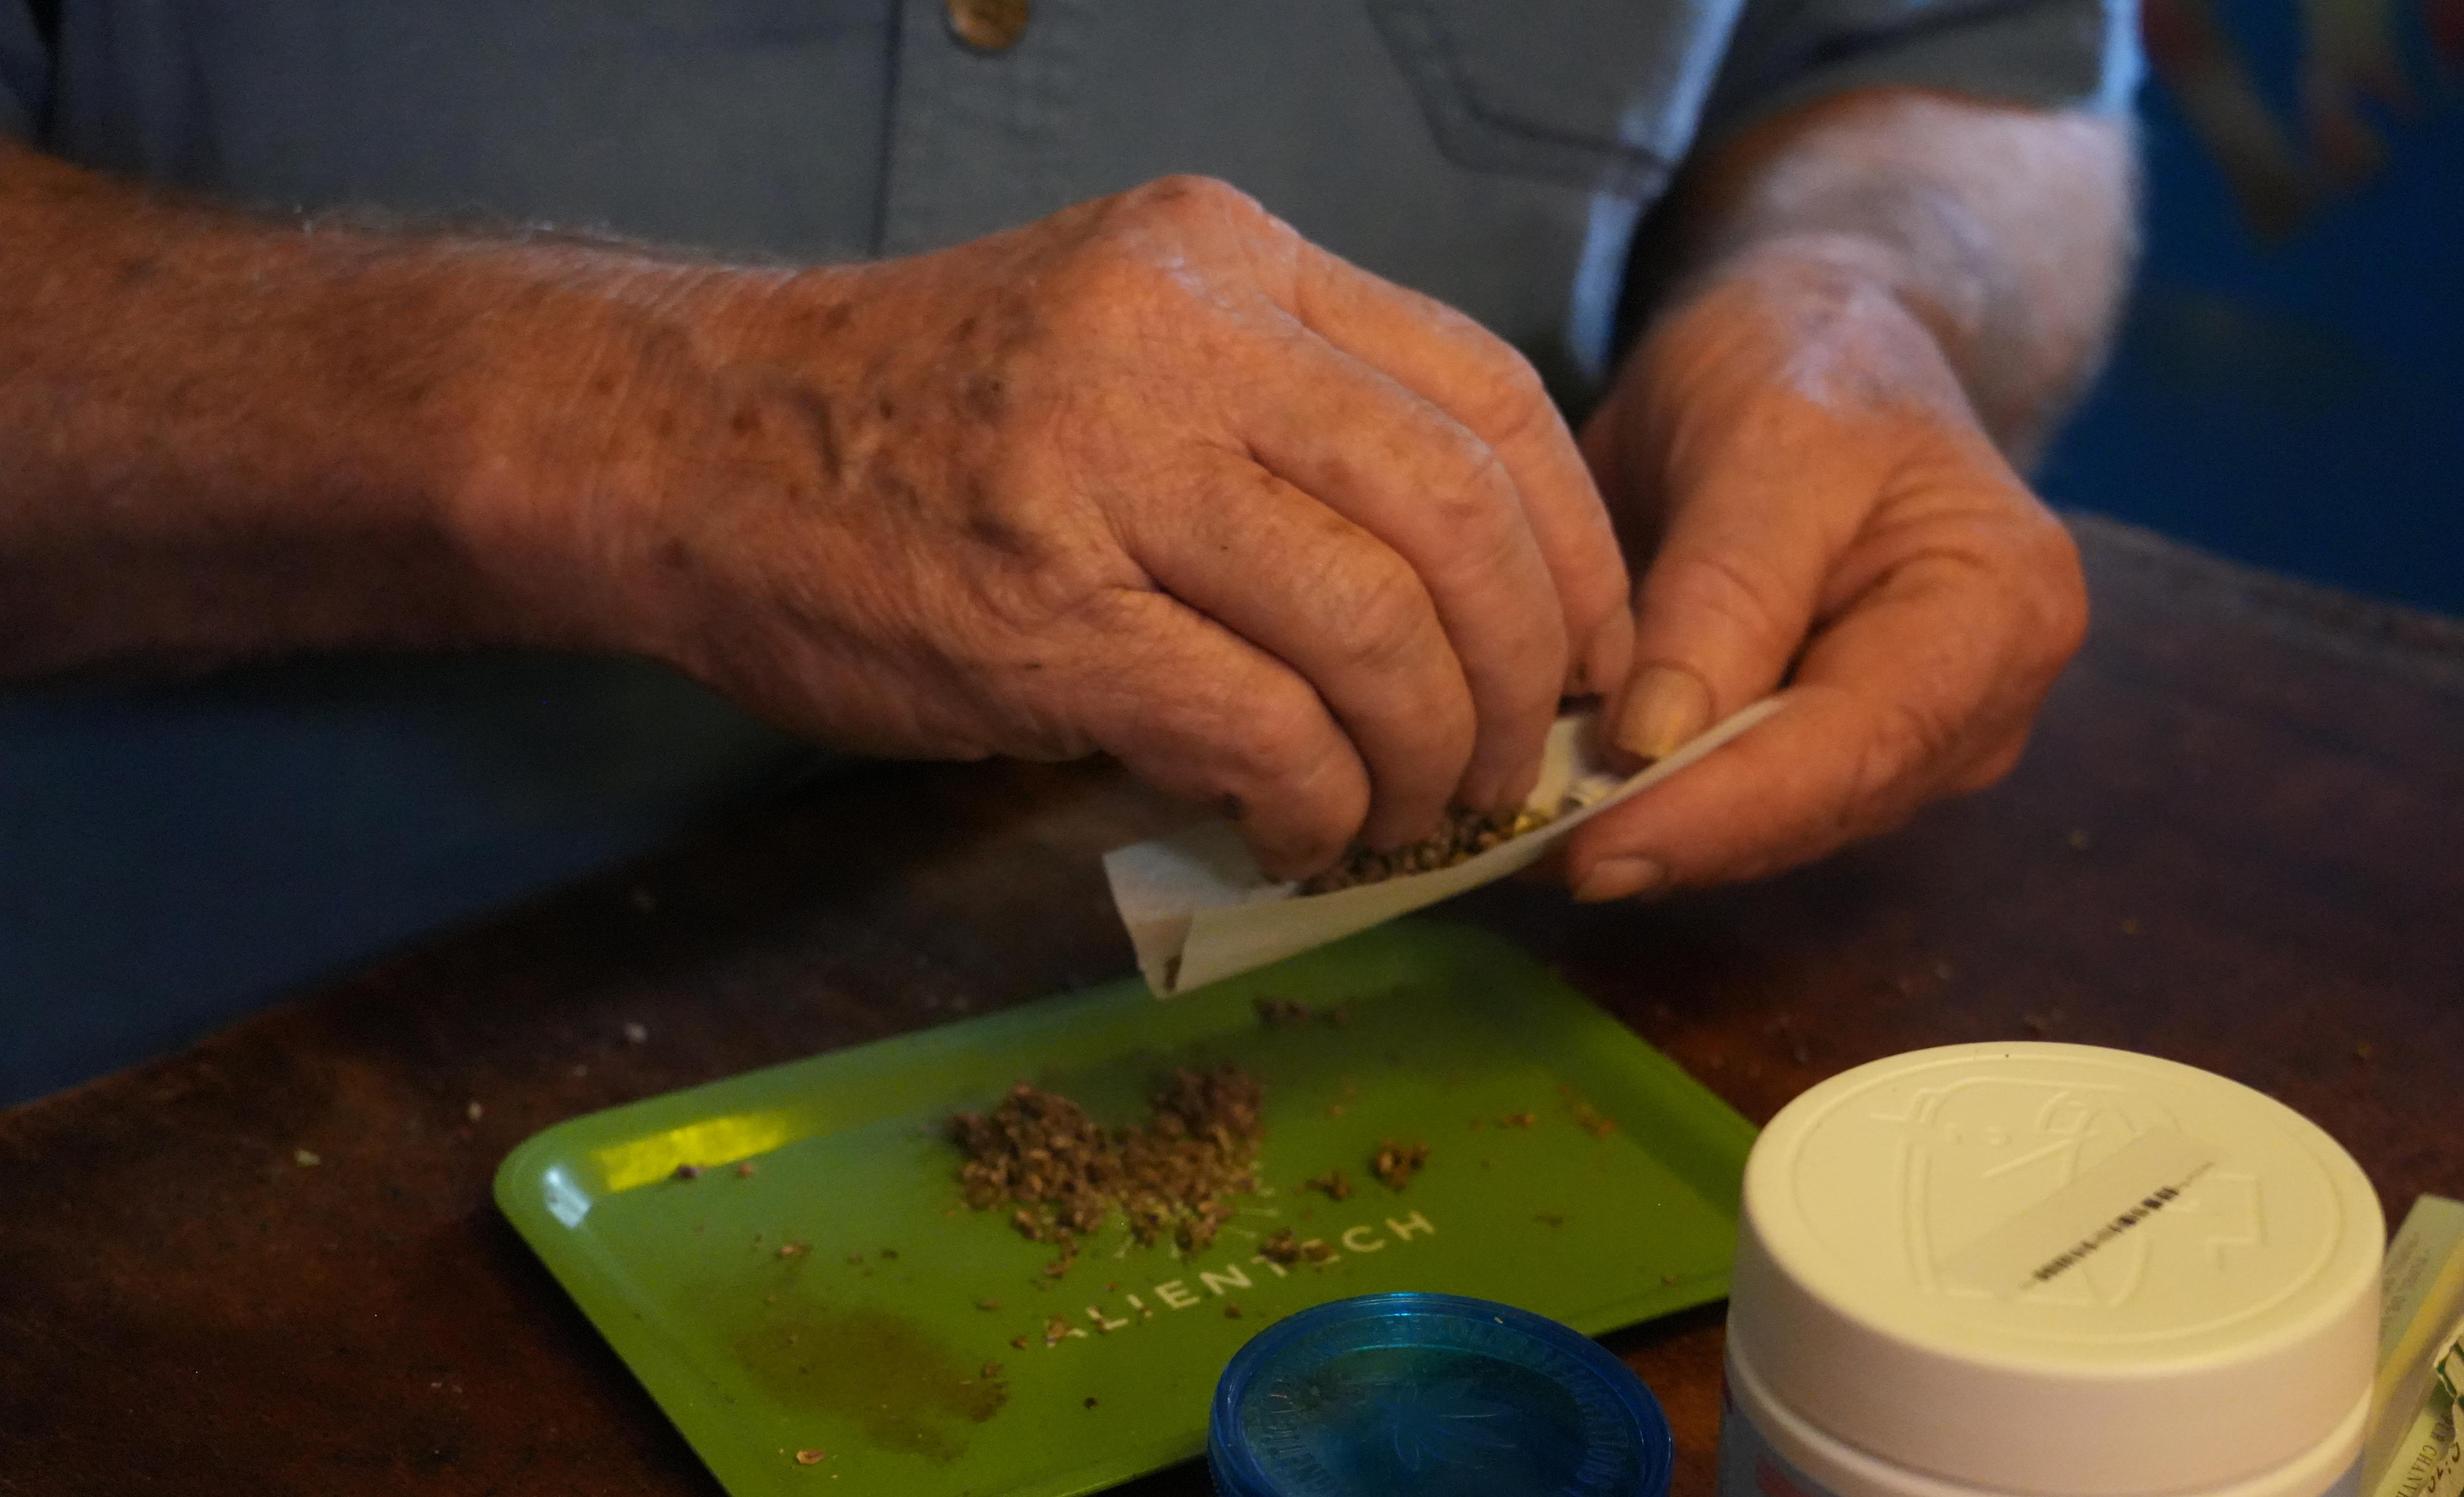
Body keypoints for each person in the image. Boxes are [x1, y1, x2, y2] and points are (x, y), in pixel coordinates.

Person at [0, 1, 2140, 1104]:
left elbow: (1970, 69)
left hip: (1431, 1060)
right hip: (178, 1154)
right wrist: (626, 429)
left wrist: (1872, 286)